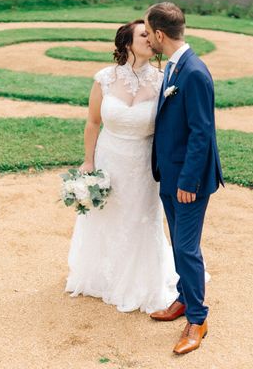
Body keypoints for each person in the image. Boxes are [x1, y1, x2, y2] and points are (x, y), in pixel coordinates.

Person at [65, 19, 179, 314]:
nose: (150, 39)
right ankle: (103, 276)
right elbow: (93, 122)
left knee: (141, 219)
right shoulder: (104, 78)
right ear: (127, 43)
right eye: (143, 34)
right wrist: (88, 161)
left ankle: (140, 282)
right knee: (107, 216)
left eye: (151, 35)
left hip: (142, 164)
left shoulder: (163, 80)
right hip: (109, 158)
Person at [145, 2, 224, 355]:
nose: (147, 38)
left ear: (161, 34)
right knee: (178, 242)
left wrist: (189, 182)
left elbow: (202, 133)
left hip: (188, 181)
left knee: (186, 248)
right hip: (172, 173)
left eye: (148, 33)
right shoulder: (175, 67)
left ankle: (197, 318)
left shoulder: (194, 72)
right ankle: (182, 297)